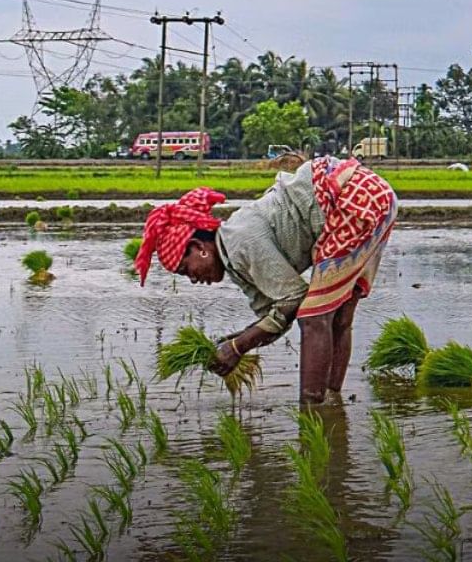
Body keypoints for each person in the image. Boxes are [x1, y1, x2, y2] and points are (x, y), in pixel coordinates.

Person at [134, 156, 397, 404]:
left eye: (185, 269)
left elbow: (294, 300)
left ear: (199, 248)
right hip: (374, 197)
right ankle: (332, 400)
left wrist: (237, 347)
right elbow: (276, 317)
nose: (192, 279)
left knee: (314, 317)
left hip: (350, 199)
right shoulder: (233, 258)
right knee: (338, 316)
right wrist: (233, 343)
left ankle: (311, 411)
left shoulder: (239, 242)